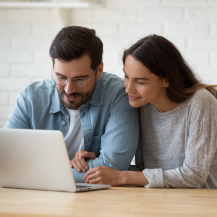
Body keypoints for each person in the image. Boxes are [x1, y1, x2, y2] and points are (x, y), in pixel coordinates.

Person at [76, 35, 217, 188]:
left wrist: (122, 176)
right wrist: (101, 165)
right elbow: (145, 173)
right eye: (126, 76)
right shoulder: (142, 105)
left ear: (166, 80)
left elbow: (194, 176)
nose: (128, 88)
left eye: (140, 81)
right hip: (157, 202)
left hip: (200, 204)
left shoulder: (200, 101)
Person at [4, 26, 139, 183]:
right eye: (60, 77)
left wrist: (39, 172)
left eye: (80, 79)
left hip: (98, 201)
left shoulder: (118, 95)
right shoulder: (31, 97)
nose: (69, 89)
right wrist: (67, 168)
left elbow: (113, 167)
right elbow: (7, 161)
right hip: (37, 198)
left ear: (99, 69)